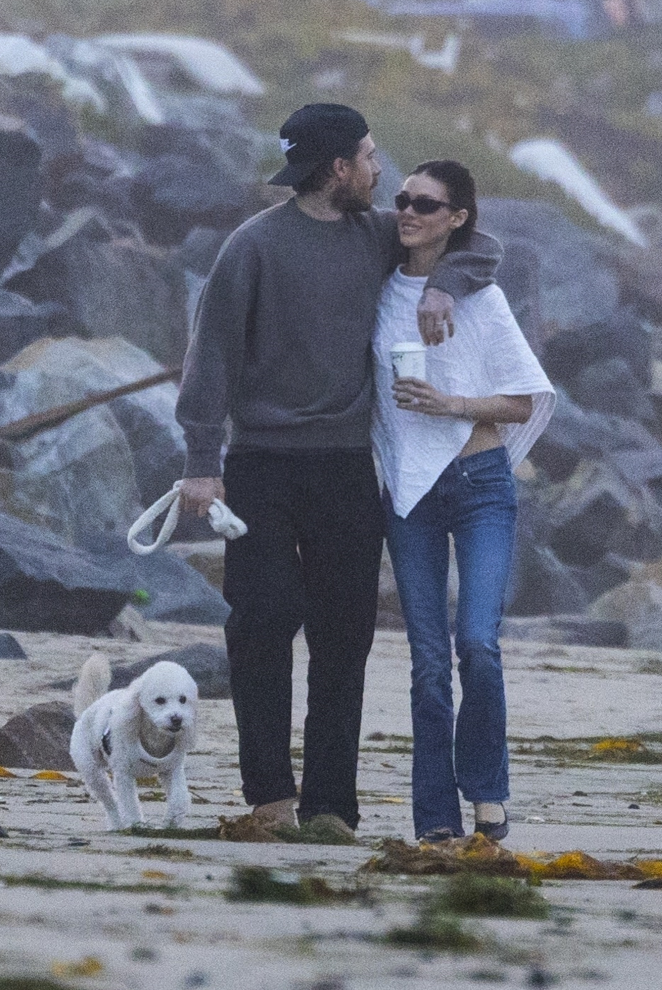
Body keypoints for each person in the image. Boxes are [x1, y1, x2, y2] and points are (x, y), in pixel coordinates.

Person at [175, 104, 503, 837]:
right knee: (262, 618)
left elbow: (480, 245)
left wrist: (443, 285)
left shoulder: (376, 235)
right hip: (259, 465)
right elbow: (211, 353)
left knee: (344, 634)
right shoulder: (252, 245)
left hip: (346, 467)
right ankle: (269, 796)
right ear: (339, 168)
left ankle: (330, 806)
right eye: (370, 157)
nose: (381, 172)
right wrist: (201, 462)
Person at [372, 160, 555, 843]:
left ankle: (486, 791)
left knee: (476, 642)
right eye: (402, 199)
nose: (407, 211)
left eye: (426, 204)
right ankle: (435, 820)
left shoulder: (483, 299)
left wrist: (449, 403)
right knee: (426, 664)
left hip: (480, 483)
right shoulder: (378, 290)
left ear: (457, 218)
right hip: (408, 491)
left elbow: (522, 401)